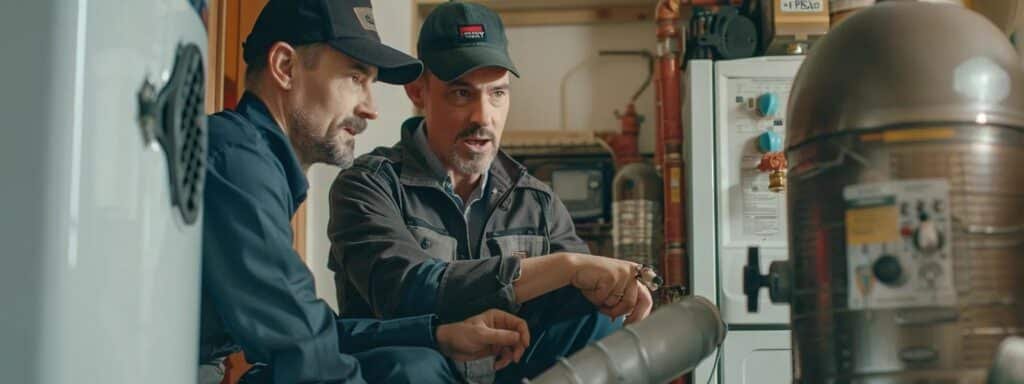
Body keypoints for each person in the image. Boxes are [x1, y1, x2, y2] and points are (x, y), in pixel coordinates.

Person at [199, 1, 530, 383]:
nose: (371, 108)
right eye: (356, 78)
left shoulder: (253, 162)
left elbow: (314, 330)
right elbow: (302, 347)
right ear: (285, 68)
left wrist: (437, 335)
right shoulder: (237, 162)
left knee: (411, 365)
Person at [327, 1, 654, 382]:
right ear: (417, 91)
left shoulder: (537, 202)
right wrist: (565, 267)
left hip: (511, 374)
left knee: (595, 318)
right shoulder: (367, 185)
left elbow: (580, 293)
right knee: (411, 365)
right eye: (462, 94)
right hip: (414, 373)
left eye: (497, 93)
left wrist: (615, 292)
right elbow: (406, 291)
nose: (484, 117)